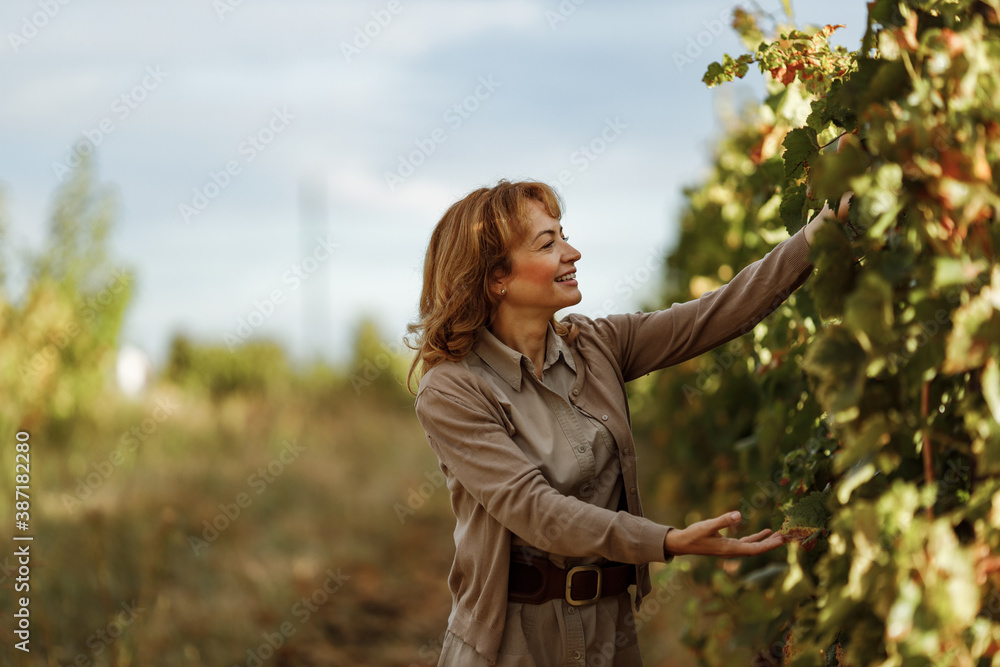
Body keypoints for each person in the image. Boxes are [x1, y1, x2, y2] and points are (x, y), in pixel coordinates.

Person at [406, 180, 841, 666]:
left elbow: (719, 312)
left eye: (562, 235)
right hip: (514, 643)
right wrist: (665, 540)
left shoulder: (598, 345)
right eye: (548, 244)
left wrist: (824, 227)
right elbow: (534, 510)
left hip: (610, 633)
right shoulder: (452, 390)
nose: (572, 252)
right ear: (495, 279)